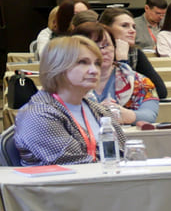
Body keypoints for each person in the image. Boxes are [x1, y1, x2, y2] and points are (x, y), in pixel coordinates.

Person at [13, 35, 127, 165]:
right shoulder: (37, 115)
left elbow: (124, 155)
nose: (94, 70)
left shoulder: (100, 110)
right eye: (83, 62)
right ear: (57, 66)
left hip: (109, 176)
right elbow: (78, 166)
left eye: (96, 63)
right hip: (71, 178)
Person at [76, 18, 158, 125]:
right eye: (94, 46)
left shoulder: (140, 82)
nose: (103, 51)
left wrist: (121, 114)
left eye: (106, 45)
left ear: (114, 47)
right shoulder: (65, 84)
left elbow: (150, 115)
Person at [98, 6, 170, 99]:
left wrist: (123, 61)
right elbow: (108, 93)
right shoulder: (96, 53)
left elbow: (160, 91)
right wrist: (122, 62)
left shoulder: (134, 52)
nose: (132, 31)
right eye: (124, 26)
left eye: (134, 27)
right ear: (106, 29)